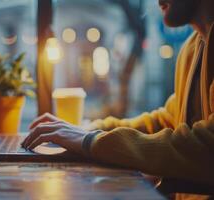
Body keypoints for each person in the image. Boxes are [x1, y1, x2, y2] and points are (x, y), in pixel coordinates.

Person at [22, 0, 214, 186]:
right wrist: (88, 131)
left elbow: (206, 148)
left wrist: (91, 141)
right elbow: (167, 120)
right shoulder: (192, 47)